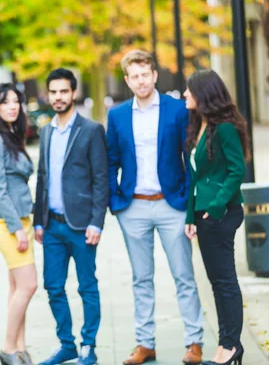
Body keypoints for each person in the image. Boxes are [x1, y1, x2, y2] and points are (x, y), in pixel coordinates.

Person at [106, 49, 204, 365]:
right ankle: (145, 343)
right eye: (134, 76)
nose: (141, 81)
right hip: (133, 207)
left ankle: (194, 341)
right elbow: (110, 160)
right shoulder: (118, 115)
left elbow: (190, 160)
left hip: (171, 205)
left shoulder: (178, 110)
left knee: (184, 275)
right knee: (141, 278)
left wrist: (189, 205)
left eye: (145, 74)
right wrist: (116, 200)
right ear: (127, 80)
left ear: (154, 75)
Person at [34, 68, 108, 365]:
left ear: (73, 93)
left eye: (64, 91)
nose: (58, 97)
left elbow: (101, 178)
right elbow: (42, 176)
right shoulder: (46, 130)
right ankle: (67, 344)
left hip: (82, 226)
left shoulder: (90, 130)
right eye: (53, 92)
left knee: (87, 286)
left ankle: (88, 345)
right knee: (53, 286)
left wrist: (96, 222)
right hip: (51, 226)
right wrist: (39, 219)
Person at [184, 70, 249, 365]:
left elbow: (237, 170)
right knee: (217, 281)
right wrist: (190, 216)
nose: (185, 95)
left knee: (224, 281)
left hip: (221, 214)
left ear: (204, 94)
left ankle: (230, 346)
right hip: (203, 213)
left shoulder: (225, 128)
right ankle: (226, 344)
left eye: (189, 91)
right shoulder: (200, 125)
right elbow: (195, 177)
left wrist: (218, 208)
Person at [0, 83, 38, 365]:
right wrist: (17, 229)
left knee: (18, 286)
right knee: (29, 285)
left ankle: (19, 346)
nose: (13, 106)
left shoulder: (12, 135)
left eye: (16, 101)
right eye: (6, 102)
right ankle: (6, 348)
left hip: (21, 217)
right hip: (6, 221)